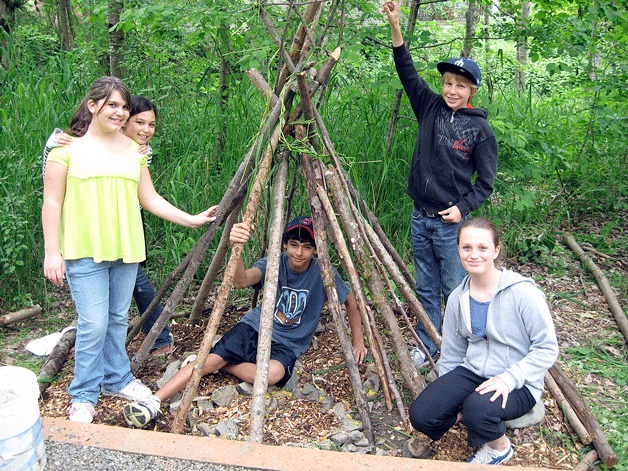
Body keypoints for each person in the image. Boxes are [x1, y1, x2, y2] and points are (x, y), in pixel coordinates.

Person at [42, 77, 218, 423]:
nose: (120, 112)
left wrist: (190, 219)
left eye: (124, 106)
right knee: (93, 323)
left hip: (125, 249)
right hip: (83, 249)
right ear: (92, 106)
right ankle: (83, 394)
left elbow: (149, 198)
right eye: (112, 105)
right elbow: (52, 201)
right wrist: (52, 251)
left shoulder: (134, 153)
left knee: (117, 320)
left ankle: (117, 378)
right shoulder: (65, 150)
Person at [123, 216, 368, 428]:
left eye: (306, 247)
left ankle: (223, 364)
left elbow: (351, 302)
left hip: (289, 343)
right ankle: (154, 401)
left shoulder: (322, 272)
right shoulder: (274, 263)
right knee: (210, 359)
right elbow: (241, 281)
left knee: (272, 374)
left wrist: (358, 341)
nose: (298, 253)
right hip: (255, 327)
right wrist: (236, 248)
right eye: (293, 245)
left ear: (315, 250)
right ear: (285, 245)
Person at [382, 1, 498, 366]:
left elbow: (486, 184)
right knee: (426, 286)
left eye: (460, 86)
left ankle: (464, 348)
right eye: (448, 82)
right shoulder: (429, 107)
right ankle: (428, 343)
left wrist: (462, 209)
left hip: (451, 226)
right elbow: (407, 72)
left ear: (472, 92)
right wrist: (396, 25)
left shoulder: (480, 130)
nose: (452, 90)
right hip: (421, 216)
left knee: (455, 287)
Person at [408, 217, 558, 465]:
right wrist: (447, 395)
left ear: (496, 250)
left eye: (482, 248)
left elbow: (547, 348)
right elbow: (453, 352)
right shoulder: (458, 297)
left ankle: (499, 448)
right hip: (474, 371)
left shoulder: (523, 293)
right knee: (422, 415)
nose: (474, 255)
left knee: (477, 409)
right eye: (466, 248)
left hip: (518, 382)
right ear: (458, 250)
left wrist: (509, 379)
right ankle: (469, 412)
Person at [43, 96, 174, 355]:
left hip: (126, 228)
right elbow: (53, 190)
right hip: (91, 231)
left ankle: (152, 341)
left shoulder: (139, 152)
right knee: (108, 306)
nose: (145, 130)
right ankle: (116, 352)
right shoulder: (73, 148)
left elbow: (147, 195)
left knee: (133, 287)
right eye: (139, 122)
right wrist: (51, 143)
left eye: (151, 125)